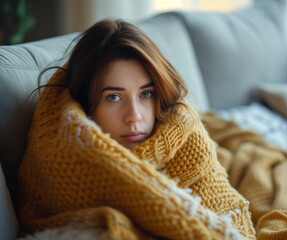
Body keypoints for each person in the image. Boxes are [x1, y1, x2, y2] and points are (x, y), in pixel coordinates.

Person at [17, 19, 256, 240]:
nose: (134, 116)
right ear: (86, 104)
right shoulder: (58, 163)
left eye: (145, 94)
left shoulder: (189, 141)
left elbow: (233, 217)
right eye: (113, 97)